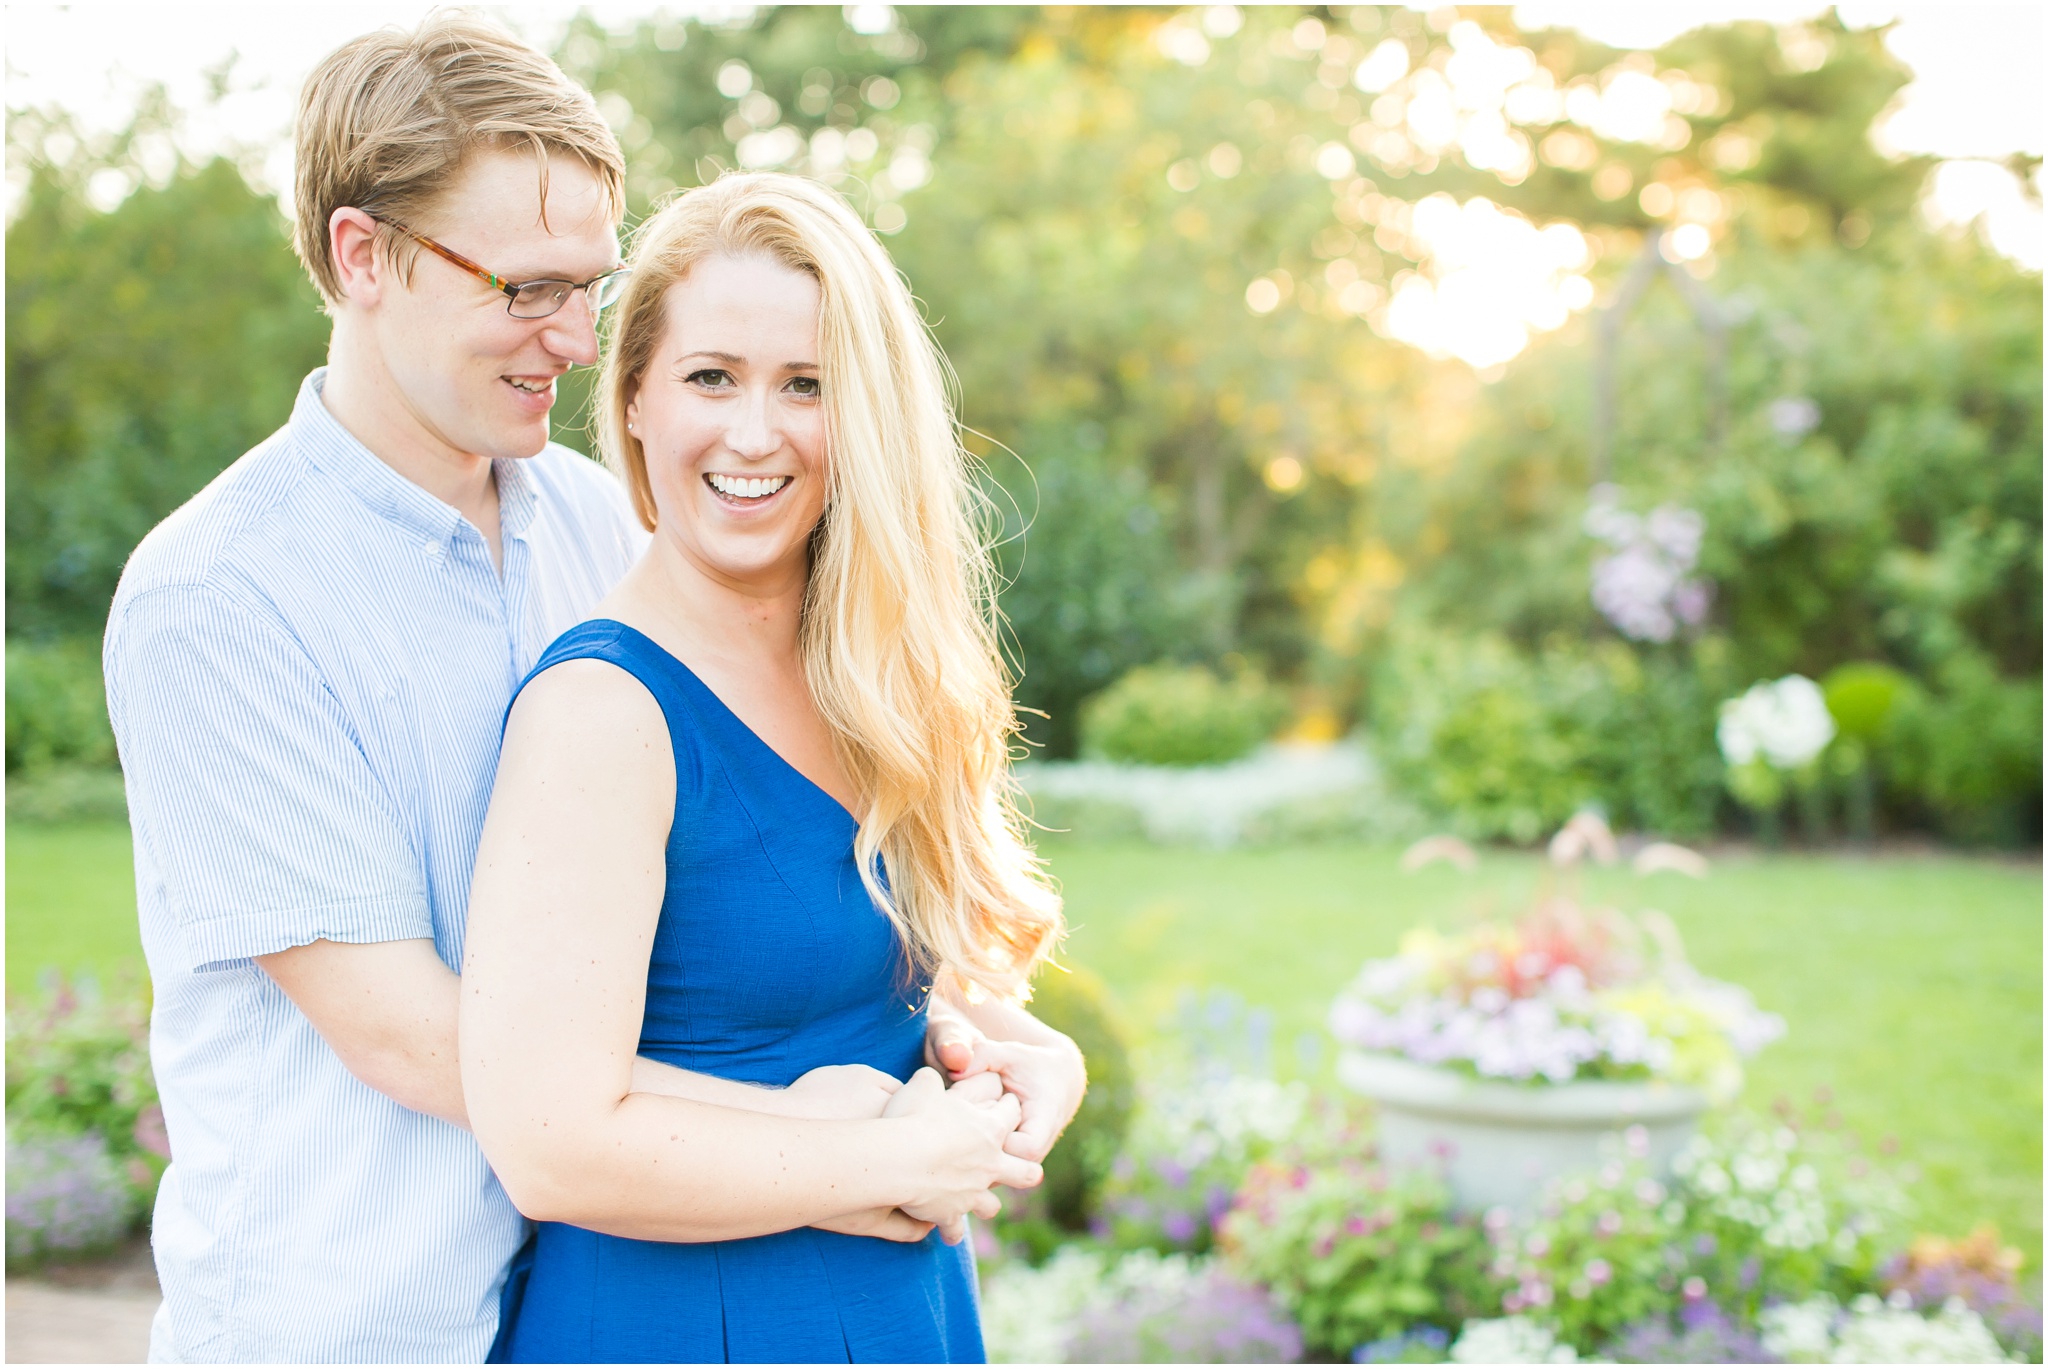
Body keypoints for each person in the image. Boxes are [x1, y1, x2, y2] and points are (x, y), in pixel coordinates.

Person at [102, 16, 1083, 1362]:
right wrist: (852, 1129)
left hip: (582, 1287)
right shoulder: (220, 596)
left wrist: (961, 1037)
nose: (573, 338)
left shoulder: (589, 522)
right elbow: (423, 1043)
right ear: (360, 255)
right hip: (359, 1325)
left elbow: (723, 897)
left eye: (590, 287)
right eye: (526, 289)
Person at [458, 172, 1071, 1363]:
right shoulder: (603, 711)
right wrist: (889, 1157)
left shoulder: (866, 679)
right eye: (710, 377)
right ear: (633, 395)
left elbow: (829, 977)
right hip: (682, 1321)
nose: (754, 432)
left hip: (896, 1312)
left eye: (806, 385)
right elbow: (546, 1139)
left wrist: (1032, 1056)